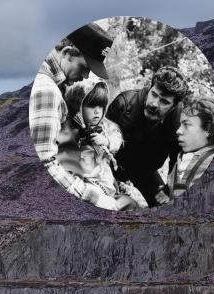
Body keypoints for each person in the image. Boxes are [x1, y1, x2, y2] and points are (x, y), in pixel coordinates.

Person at [29, 23, 114, 203]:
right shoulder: (47, 90)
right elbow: (45, 164)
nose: (85, 77)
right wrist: (93, 197)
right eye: (84, 68)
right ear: (68, 52)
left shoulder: (51, 82)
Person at [58, 79, 147, 210]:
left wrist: (107, 141)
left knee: (132, 202)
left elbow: (117, 138)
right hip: (85, 181)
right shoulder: (70, 132)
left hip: (104, 177)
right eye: (91, 106)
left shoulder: (105, 126)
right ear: (77, 106)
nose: (97, 112)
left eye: (101, 106)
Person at [106, 66, 188, 206]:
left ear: (173, 107)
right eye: (154, 95)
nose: (155, 104)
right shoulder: (123, 103)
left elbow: (177, 160)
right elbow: (99, 144)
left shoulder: (178, 124)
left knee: (165, 206)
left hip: (144, 170)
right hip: (112, 164)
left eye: (164, 101)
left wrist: (168, 189)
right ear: (149, 88)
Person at [161, 95, 214, 202]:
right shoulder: (181, 158)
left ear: (208, 129)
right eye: (180, 124)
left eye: (186, 125)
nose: (178, 131)